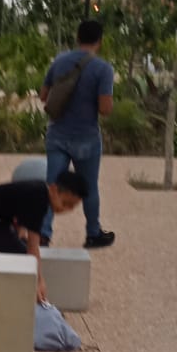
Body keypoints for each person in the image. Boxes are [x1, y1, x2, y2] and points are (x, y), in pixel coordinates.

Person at [38, 18, 115, 248]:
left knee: (52, 183)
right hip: (87, 139)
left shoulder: (59, 61)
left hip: (57, 136)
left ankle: (43, 232)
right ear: (99, 41)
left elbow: (43, 96)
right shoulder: (103, 69)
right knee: (89, 187)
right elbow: (105, 109)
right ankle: (93, 233)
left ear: (77, 37)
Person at [0, 172, 88, 305]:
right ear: (54, 189)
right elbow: (33, 246)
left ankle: (21, 298)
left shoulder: (39, 190)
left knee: (21, 247)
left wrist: (20, 234)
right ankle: (29, 304)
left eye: (72, 207)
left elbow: (20, 211)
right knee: (24, 260)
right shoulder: (39, 201)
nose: (67, 209)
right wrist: (39, 281)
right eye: (66, 203)